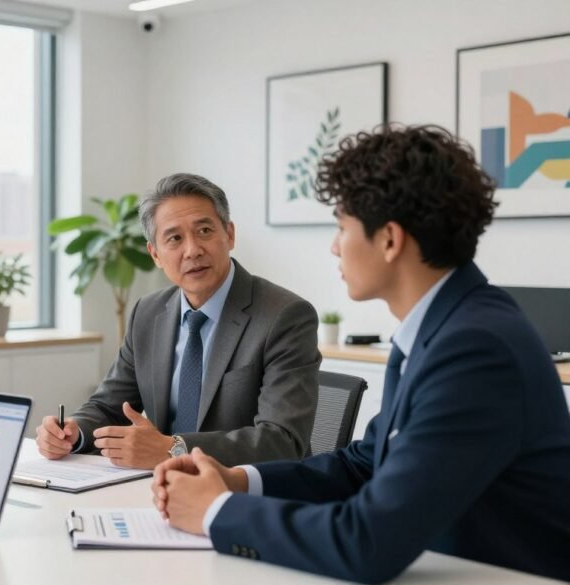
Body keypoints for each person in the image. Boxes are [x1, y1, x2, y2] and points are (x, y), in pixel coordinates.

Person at [151, 125, 570, 583]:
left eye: (342, 226)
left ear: (389, 240)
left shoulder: (474, 349)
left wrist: (217, 512)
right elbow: (363, 464)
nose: (334, 245)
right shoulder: (441, 328)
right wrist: (240, 481)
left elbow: (366, 542)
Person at [36, 173, 321, 469]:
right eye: (174, 238)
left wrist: (174, 449)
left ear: (229, 235)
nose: (192, 250)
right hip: (159, 490)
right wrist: (72, 432)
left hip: (248, 496)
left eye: (205, 231)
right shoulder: (148, 313)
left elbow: (282, 441)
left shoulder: (285, 316)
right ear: (155, 254)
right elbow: (108, 406)